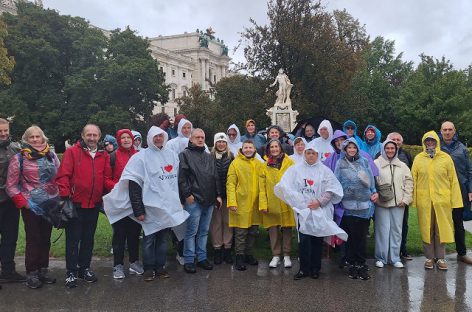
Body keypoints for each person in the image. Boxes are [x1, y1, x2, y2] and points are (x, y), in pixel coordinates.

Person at [104, 126, 189, 281]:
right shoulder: (140, 157)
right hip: (149, 207)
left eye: (160, 136)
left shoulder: (172, 156)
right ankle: (149, 268)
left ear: (164, 137)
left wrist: (179, 201)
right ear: (150, 138)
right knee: (149, 239)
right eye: (155, 136)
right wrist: (139, 210)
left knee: (163, 239)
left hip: (166, 207)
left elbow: (176, 182)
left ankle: (160, 267)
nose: (158, 139)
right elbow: (134, 185)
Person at [275, 144, 346, 279]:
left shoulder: (325, 170)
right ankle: (303, 269)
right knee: (304, 240)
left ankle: (315, 268)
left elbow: (331, 189)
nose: (311, 156)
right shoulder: (295, 170)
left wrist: (319, 202)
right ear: (304, 154)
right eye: (308, 153)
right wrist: (300, 202)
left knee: (316, 239)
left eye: (313, 153)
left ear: (318, 155)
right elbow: (287, 186)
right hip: (303, 211)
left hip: (319, 209)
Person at [55, 124, 114, 288]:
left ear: (99, 137)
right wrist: (66, 196)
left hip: (94, 204)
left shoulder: (104, 155)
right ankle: (71, 272)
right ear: (83, 135)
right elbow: (63, 176)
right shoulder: (72, 152)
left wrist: (119, 187)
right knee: (73, 240)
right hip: (75, 204)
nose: (92, 138)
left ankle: (84, 269)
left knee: (88, 240)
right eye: (89, 134)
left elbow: (106, 178)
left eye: (95, 135)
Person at [7, 126, 60, 289]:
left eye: (38, 136)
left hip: (50, 203)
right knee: (34, 239)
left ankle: (43, 271)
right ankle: (32, 272)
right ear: (26, 140)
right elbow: (11, 185)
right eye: (32, 137)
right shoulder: (19, 158)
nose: (36, 140)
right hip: (31, 205)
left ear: (43, 138)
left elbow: (60, 176)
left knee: (45, 239)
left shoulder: (51, 156)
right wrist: (25, 203)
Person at [411, 131, 463, 270]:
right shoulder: (418, 159)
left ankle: (440, 258)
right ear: (423, 142)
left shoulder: (445, 158)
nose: (430, 143)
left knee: (440, 229)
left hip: (442, 201)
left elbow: (453, 181)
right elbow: (413, 180)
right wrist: (413, 200)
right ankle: (429, 258)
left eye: (432, 141)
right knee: (427, 228)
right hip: (425, 201)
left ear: (437, 142)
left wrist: (455, 201)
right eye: (427, 141)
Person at [179, 129, 223, 273]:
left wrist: (218, 194)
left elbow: (215, 176)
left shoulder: (209, 156)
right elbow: (182, 177)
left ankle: (202, 257)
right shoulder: (184, 155)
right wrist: (187, 195)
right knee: (191, 231)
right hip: (194, 200)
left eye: (202, 137)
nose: (200, 139)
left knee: (204, 231)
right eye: (197, 137)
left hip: (209, 200)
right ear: (191, 139)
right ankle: (189, 259)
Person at [335, 138, 378, 280]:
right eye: (349, 148)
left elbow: (371, 179)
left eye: (354, 147)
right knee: (351, 237)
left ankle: (361, 263)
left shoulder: (364, 162)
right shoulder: (340, 164)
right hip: (348, 207)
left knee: (361, 237)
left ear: (357, 149)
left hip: (364, 206)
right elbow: (336, 181)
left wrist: (374, 192)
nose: (352, 150)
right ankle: (352, 263)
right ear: (345, 150)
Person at [108, 129, 144, 279]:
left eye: (128, 137)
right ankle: (118, 265)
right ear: (118, 140)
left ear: (133, 139)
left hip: (135, 201)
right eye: (122, 138)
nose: (126, 140)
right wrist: (119, 186)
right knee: (119, 235)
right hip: (119, 201)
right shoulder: (113, 156)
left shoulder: (139, 155)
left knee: (134, 233)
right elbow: (106, 178)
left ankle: (134, 262)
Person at [324, 130, 379, 225]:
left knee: (360, 230)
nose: (339, 142)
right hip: (343, 202)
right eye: (336, 140)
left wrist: (374, 192)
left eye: (342, 139)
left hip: (363, 202)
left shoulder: (364, 158)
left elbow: (372, 176)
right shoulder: (332, 159)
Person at [373, 140, 413, 269]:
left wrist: (406, 199)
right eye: (387, 148)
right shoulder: (376, 164)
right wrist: (376, 197)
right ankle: (381, 258)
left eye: (392, 148)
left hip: (399, 204)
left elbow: (409, 183)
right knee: (382, 231)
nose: (390, 150)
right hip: (382, 204)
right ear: (383, 149)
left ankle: (395, 258)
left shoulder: (402, 165)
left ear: (396, 150)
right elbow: (372, 182)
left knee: (396, 231)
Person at [439, 121, 472, 265]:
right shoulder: (436, 148)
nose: (447, 132)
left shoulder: (462, 149)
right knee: (440, 224)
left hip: (459, 191)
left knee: (458, 224)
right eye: (445, 130)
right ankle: (439, 256)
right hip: (441, 192)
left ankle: (462, 253)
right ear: (441, 131)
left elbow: (469, 170)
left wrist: (470, 189)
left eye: (450, 129)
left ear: (454, 131)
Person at [259, 140, 295, 268]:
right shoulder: (264, 165)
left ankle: (286, 255)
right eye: (272, 147)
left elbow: (294, 181)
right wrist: (263, 204)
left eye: (276, 146)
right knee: (273, 229)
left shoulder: (289, 162)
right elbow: (261, 187)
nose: (274, 149)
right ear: (268, 150)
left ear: (280, 148)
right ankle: (275, 255)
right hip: (271, 200)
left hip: (286, 200)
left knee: (287, 228)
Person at [227, 140, 262, 271]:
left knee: (253, 231)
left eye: (250, 147)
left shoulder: (258, 164)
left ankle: (248, 254)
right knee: (241, 232)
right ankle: (239, 257)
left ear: (254, 149)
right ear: (242, 149)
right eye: (245, 147)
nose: (248, 149)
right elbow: (230, 184)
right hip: (240, 203)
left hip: (255, 204)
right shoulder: (235, 163)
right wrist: (232, 201)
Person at [0, 118, 26, 285]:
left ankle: (8, 271)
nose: (3, 134)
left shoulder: (16, 147)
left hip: (10, 201)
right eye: (0, 132)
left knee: (10, 238)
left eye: (5, 131)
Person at [386, 132, 413, 260]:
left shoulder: (406, 155)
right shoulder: (380, 155)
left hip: (402, 197)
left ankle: (402, 250)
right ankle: (386, 251)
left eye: (398, 140)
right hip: (385, 197)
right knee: (385, 225)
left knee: (402, 225)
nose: (396, 141)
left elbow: (411, 176)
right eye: (393, 139)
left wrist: (408, 196)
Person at [210, 133, 234, 265]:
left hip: (228, 195)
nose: (221, 144)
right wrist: (216, 195)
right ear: (215, 143)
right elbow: (209, 177)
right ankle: (217, 249)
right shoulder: (210, 157)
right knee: (216, 223)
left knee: (228, 222)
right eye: (218, 142)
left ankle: (227, 249)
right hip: (215, 196)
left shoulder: (231, 157)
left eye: (223, 141)